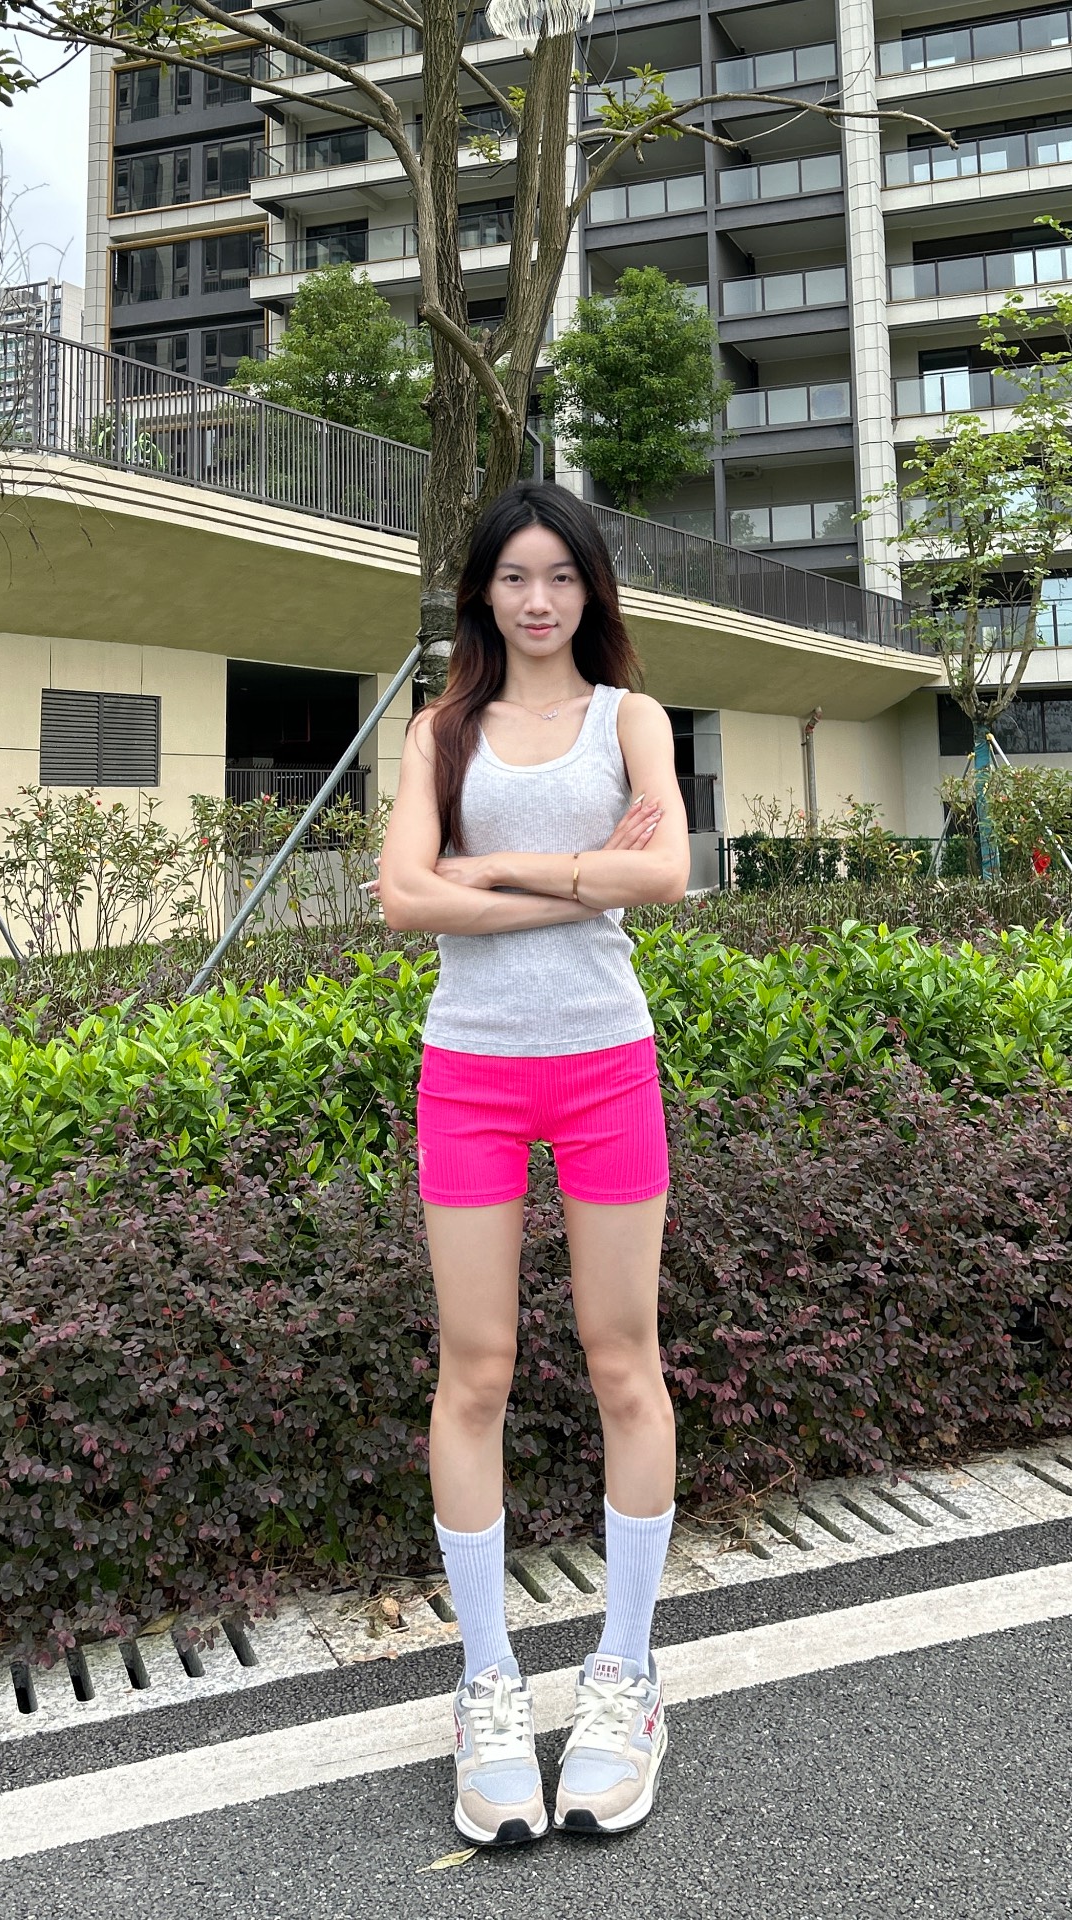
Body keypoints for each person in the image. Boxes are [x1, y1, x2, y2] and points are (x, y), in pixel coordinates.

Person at [378, 480, 690, 1846]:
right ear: (484, 593)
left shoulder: (631, 720)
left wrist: (493, 872)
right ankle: (489, 1685)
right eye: (515, 575)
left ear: (591, 588)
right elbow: (404, 899)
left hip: (606, 1062)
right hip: (473, 1073)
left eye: (562, 574)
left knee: (625, 1364)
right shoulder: (440, 731)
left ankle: (624, 1676)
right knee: (477, 1371)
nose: (540, 597)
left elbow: (665, 875)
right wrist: (575, 871)